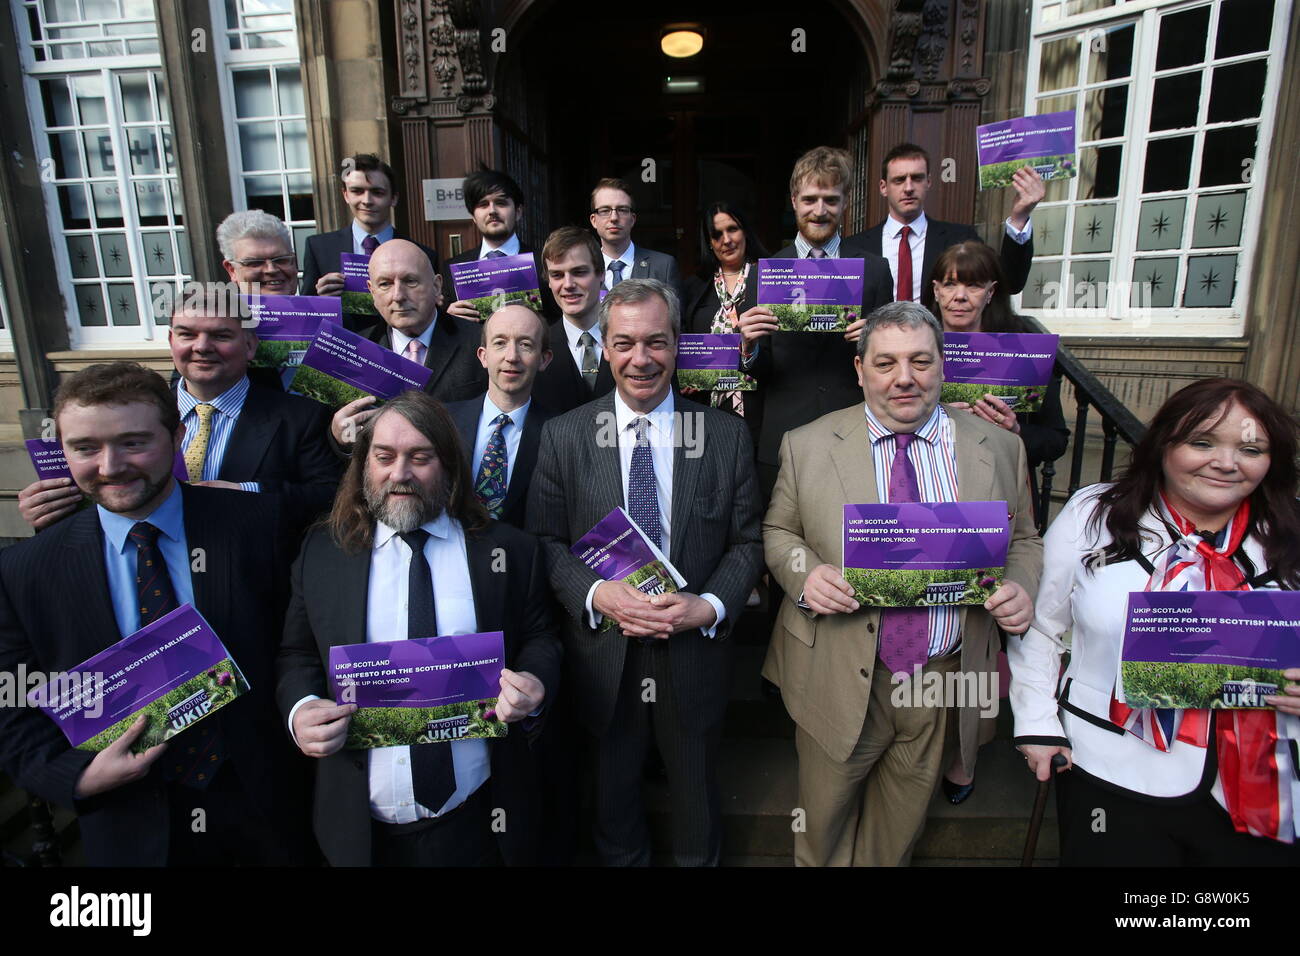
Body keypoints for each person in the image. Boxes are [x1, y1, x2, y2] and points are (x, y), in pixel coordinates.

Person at [762, 301, 1042, 866]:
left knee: (898, 834)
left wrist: (1019, 586)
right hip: (837, 669)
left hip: (942, 678)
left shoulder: (1000, 447)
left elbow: (1027, 541)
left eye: (920, 361)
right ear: (860, 368)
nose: (904, 378)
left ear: (944, 366)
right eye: (886, 363)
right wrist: (805, 574)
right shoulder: (806, 443)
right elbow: (778, 531)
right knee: (822, 829)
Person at [0, 362, 311, 865]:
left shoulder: (261, 525)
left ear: (177, 435)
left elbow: (301, 649)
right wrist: (74, 776)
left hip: (267, 811)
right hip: (127, 824)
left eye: (132, 443)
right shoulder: (24, 570)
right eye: (84, 448)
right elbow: (12, 701)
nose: (110, 465)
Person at [1010, 378, 1300, 864]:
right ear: (1164, 442)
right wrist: (1038, 724)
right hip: (1111, 765)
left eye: (1251, 449)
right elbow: (1041, 628)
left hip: (1260, 777)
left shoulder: (1289, 530)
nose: (1226, 463)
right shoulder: (1092, 514)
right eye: (1202, 442)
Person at [527, 278, 764, 866]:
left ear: (678, 345)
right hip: (603, 657)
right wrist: (597, 595)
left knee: (696, 809)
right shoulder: (563, 437)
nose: (641, 359)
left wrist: (707, 606)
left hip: (693, 656)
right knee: (613, 810)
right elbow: (545, 541)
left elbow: (748, 542)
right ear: (604, 347)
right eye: (625, 343)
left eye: (656, 342)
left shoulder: (725, 435)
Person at [277, 389, 563, 866]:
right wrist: (301, 709)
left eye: (420, 457)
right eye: (384, 457)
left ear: (448, 465)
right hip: (363, 831)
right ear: (363, 465)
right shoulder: (323, 555)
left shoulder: (507, 551)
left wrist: (535, 683)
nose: (400, 473)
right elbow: (297, 654)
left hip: (480, 818)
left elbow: (540, 637)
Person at [922, 240, 1069, 805]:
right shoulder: (917, 342)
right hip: (923, 498)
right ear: (934, 289)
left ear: (991, 291)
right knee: (930, 620)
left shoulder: (1024, 347)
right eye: (949, 282)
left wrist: (1016, 431)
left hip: (993, 498)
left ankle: (965, 754)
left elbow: (1055, 437)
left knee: (980, 632)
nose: (959, 294)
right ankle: (917, 743)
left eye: (973, 283)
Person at [18, 287, 341, 535]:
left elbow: (329, 499)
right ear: (171, 340)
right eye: (187, 334)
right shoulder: (131, 417)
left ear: (250, 345)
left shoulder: (303, 416)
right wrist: (51, 513)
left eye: (220, 335)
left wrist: (246, 492)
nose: (201, 346)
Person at [736, 147, 894, 496]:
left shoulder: (875, 271)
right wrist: (747, 348)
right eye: (810, 199)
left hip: (856, 434)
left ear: (845, 202)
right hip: (782, 438)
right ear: (794, 200)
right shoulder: (763, 274)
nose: (819, 211)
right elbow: (756, 373)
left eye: (830, 200)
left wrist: (877, 341)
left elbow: (890, 365)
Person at [329, 239, 487, 455]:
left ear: (437, 285)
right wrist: (342, 440)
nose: (398, 296)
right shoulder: (351, 352)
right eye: (385, 284)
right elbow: (341, 438)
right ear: (371, 291)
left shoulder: (479, 341)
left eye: (410, 281)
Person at [848, 142, 1043, 299]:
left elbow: (1010, 282)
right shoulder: (855, 247)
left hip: (939, 345)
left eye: (916, 178)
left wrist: (1019, 218)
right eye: (899, 180)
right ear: (883, 187)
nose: (908, 188)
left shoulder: (960, 239)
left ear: (928, 182)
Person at [446, 303, 555, 528]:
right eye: (500, 343)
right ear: (483, 356)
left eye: (525, 345)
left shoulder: (559, 433)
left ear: (544, 359)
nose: (511, 356)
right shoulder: (444, 420)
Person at [299, 153, 439, 318]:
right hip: (342, 341)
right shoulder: (318, 248)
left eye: (377, 192)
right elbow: (305, 314)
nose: (367, 200)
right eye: (357, 191)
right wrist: (321, 301)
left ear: (393, 198)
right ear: (345, 195)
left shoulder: (422, 254)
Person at [681, 201, 767, 447]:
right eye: (717, 234)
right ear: (708, 241)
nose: (726, 240)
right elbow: (684, 337)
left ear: (745, 232)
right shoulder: (695, 288)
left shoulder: (770, 280)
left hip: (758, 411)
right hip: (705, 414)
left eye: (733, 229)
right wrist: (684, 372)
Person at [439, 168, 556, 322]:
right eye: (483, 204)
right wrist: (448, 318)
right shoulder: (453, 269)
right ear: (473, 216)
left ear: (518, 212)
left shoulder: (544, 263)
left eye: (501, 203)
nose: (492, 211)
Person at [532, 226, 616, 414]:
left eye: (579, 272)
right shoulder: (535, 349)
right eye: (557, 275)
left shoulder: (631, 342)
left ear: (601, 273)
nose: (568, 284)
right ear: (548, 281)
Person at [589, 177, 681, 306]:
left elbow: (675, 321)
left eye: (622, 210)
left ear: (632, 219)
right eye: (605, 211)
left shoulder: (663, 266)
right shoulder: (583, 269)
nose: (614, 218)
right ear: (593, 220)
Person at [218, 209, 301, 297]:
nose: (271, 269)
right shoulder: (220, 310)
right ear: (232, 270)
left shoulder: (315, 309)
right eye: (255, 263)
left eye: (281, 260)